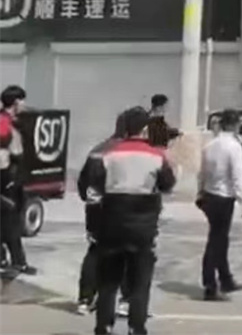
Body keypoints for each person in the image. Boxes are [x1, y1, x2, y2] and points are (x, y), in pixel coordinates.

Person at [82, 106, 176, 335]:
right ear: (144, 130)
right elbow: (167, 184)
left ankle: (103, 326)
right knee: (140, 280)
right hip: (143, 227)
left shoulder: (108, 155)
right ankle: (137, 326)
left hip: (112, 224)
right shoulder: (156, 156)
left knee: (108, 281)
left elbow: (94, 187)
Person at [76, 113, 131, 316]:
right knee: (128, 252)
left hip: (95, 209)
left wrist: (91, 199)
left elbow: (83, 183)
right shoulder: (128, 152)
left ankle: (85, 299)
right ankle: (126, 301)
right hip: (120, 207)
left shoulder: (97, 150)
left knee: (95, 251)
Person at [197, 108, 242, 301]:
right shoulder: (234, 147)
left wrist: (200, 191)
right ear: (235, 124)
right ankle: (210, 284)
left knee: (220, 238)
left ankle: (225, 278)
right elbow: (237, 175)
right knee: (217, 240)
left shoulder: (210, 145)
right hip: (223, 197)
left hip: (209, 194)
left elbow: (202, 173)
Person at [0, 84, 36, 276]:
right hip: (6, 177)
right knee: (11, 220)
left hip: (12, 176)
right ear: (15, 102)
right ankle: (17, 262)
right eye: (22, 101)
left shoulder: (12, 121)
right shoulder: (3, 122)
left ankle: (13, 261)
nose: (24, 105)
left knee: (9, 220)